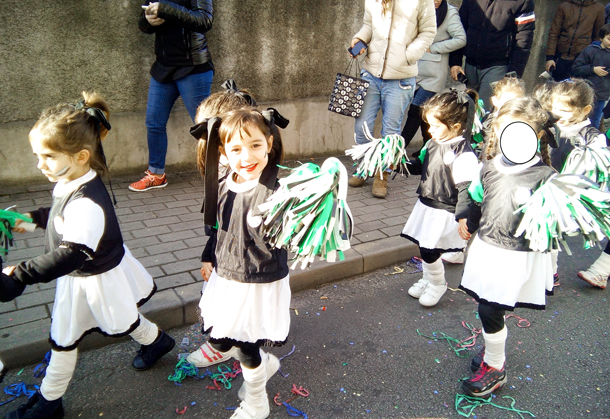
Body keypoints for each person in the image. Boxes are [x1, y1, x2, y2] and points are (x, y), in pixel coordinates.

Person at [0, 93, 174, 419]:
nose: (40, 165)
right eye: (38, 156)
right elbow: (59, 214)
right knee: (118, 319)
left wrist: (21, 275)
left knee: (64, 339)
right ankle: (157, 342)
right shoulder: (71, 179)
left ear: (80, 155)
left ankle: (50, 403)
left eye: (49, 156)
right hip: (88, 276)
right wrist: (34, 220)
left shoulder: (86, 202)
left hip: (93, 278)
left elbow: (71, 254)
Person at [193, 109, 290, 419]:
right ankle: (265, 364)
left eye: (255, 146)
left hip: (257, 280)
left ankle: (256, 404)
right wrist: (209, 255)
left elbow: (297, 234)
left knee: (245, 346)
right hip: (228, 274)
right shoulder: (224, 180)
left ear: (270, 143)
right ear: (223, 152)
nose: (246, 156)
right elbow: (220, 226)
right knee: (229, 334)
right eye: (236, 149)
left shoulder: (278, 189)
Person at [459, 97, 554, 397]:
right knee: (487, 307)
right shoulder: (489, 166)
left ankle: (496, 368)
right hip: (488, 248)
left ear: (537, 136)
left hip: (516, 255)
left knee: (489, 309)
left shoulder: (546, 178)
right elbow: (477, 198)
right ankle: (492, 355)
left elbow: (556, 222)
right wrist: (469, 222)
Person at [348, 0, 437, 199]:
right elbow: (368, 25)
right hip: (371, 72)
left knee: (391, 132)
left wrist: (408, 55)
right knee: (361, 126)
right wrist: (360, 40)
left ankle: (382, 174)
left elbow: (429, 31)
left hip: (401, 79)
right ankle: (363, 167)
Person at [401, 90, 479, 307]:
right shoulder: (432, 143)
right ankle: (428, 279)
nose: (430, 130)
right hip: (426, 203)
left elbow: (466, 188)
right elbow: (419, 165)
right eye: (429, 124)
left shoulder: (463, 153)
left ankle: (437, 283)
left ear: (455, 126)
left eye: (435, 126)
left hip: (445, 210)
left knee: (429, 248)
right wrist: (398, 164)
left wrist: (463, 217)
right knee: (425, 247)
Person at [129, 0, 214, 192]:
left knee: (205, 126)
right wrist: (148, 20)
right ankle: (156, 174)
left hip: (193, 67)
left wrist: (166, 9)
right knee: (154, 122)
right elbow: (143, 24)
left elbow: (205, 21)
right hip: (163, 67)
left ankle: (221, 172)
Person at [401, 0, 466, 158]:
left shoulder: (449, 12)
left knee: (416, 110)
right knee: (425, 113)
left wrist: (434, 48)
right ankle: (429, 148)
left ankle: (398, 149)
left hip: (434, 72)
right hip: (413, 69)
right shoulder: (417, 8)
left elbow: (461, 39)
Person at [449, 0, 536, 110]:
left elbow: (524, 39)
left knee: (485, 111)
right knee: (468, 111)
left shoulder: (523, 2)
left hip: (497, 67)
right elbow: (461, 28)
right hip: (470, 64)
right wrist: (455, 61)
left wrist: (513, 76)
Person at [545, 0, 605, 82]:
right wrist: (550, 57)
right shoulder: (564, 6)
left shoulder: (599, 8)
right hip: (561, 57)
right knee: (555, 87)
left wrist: (591, 59)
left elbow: (598, 36)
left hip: (581, 58)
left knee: (574, 89)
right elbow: (554, 33)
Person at [571, 24, 610, 129]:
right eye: (609, 39)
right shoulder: (591, 50)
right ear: (601, 38)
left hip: (602, 95)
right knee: (578, 119)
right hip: (585, 92)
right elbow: (576, 68)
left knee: (594, 122)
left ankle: (590, 143)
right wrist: (593, 69)